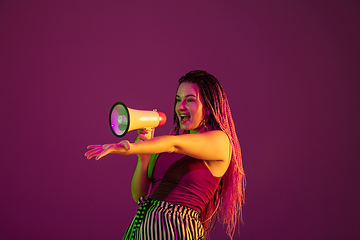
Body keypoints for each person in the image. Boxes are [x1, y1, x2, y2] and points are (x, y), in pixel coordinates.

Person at [85, 70, 246, 240]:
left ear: (208, 106)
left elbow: (173, 144)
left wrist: (132, 148)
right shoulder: (166, 147)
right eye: (178, 100)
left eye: (190, 100)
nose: (181, 107)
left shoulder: (220, 141)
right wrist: (144, 158)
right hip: (139, 230)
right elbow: (139, 195)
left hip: (177, 231)